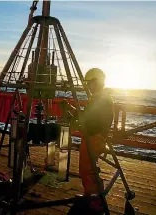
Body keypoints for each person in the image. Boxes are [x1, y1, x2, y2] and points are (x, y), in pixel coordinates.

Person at [67, 68, 114, 213]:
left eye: (89, 83)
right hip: (96, 136)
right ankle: (90, 194)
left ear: (97, 82)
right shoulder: (102, 97)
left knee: (87, 168)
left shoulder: (100, 99)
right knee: (89, 167)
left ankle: (96, 201)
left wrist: (73, 114)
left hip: (94, 137)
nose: (88, 86)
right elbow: (89, 116)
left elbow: (89, 118)